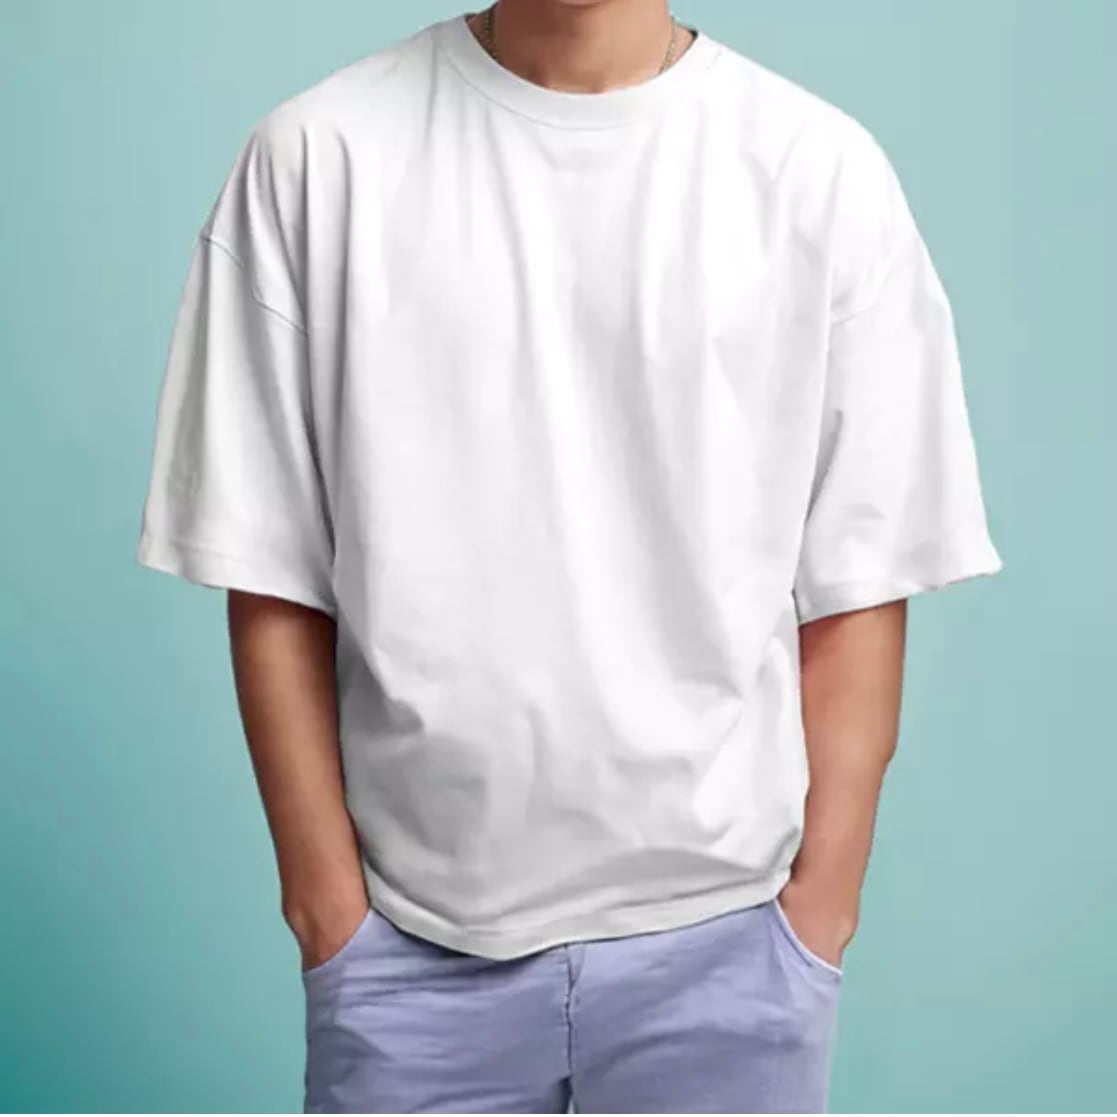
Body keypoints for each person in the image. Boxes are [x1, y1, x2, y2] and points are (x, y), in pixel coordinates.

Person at [135, 0, 1004, 1111]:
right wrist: (329, 919)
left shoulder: (816, 171)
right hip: (407, 958)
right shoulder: (317, 158)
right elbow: (270, 568)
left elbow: (858, 580)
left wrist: (814, 920)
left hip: (730, 950)